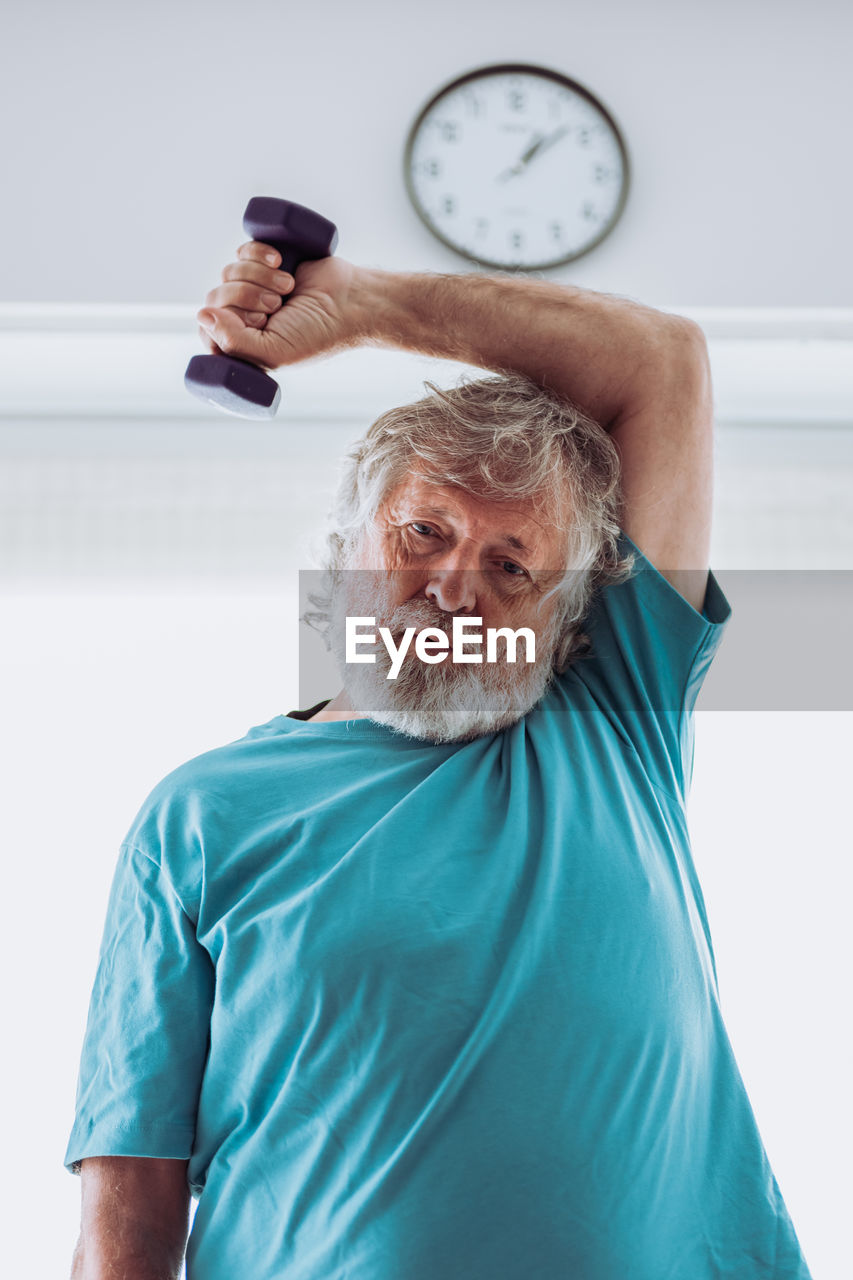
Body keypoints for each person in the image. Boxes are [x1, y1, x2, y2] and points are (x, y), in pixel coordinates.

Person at [64, 243, 813, 1279]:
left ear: (565, 618)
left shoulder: (613, 719)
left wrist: (364, 305)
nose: (456, 585)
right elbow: (130, 1201)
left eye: (512, 564)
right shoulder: (201, 814)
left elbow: (660, 361)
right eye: (424, 531)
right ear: (344, 549)